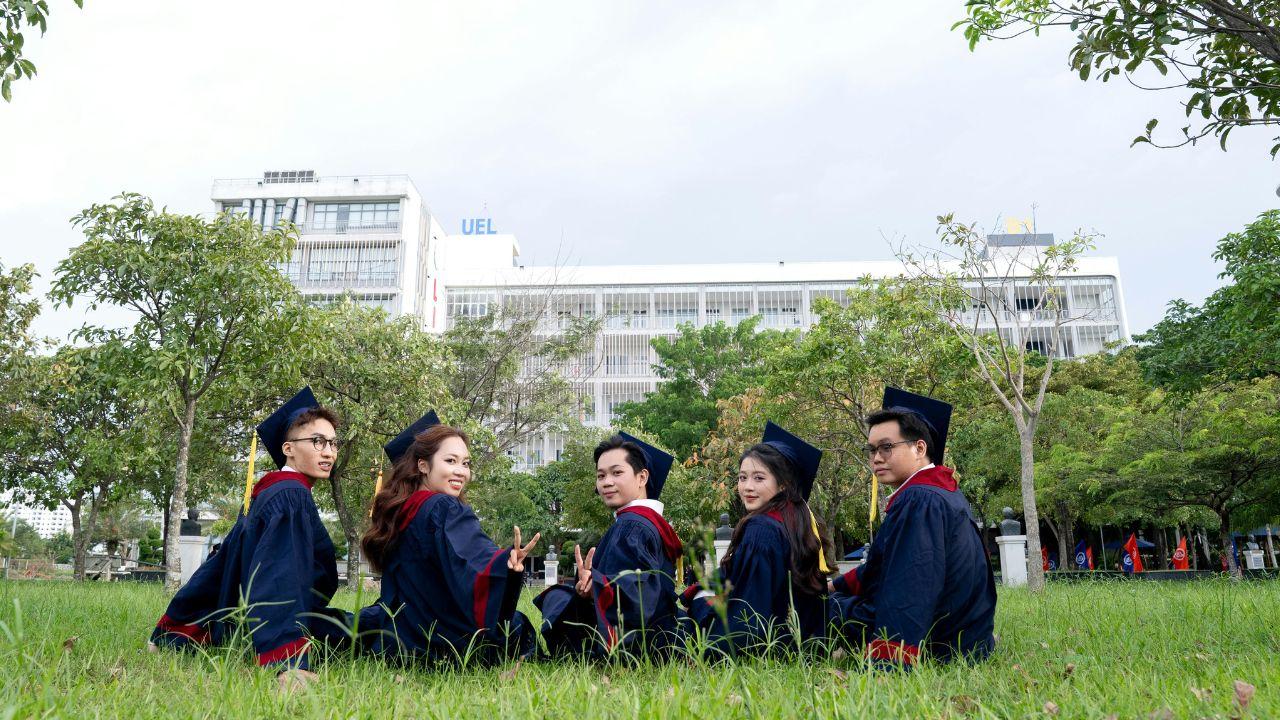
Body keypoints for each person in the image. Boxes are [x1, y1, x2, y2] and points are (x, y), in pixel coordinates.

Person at [149, 387, 352, 691]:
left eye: (333, 443)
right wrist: (288, 661)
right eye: (317, 441)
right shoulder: (290, 496)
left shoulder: (268, 493)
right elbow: (282, 577)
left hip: (259, 621)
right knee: (371, 634)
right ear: (288, 448)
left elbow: (219, 568)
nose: (329, 452)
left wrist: (176, 628)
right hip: (289, 624)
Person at [828, 387, 996, 668]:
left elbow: (910, 586)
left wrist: (889, 664)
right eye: (871, 450)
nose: (876, 458)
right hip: (966, 635)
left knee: (815, 609)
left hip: (940, 644)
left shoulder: (920, 500)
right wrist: (833, 585)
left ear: (920, 448)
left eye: (886, 447)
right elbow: (884, 566)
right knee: (832, 597)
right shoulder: (940, 491)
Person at [357, 412, 540, 664]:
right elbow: (471, 560)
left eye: (466, 463)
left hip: (401, 641)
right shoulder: (443, 507)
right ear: (423, 465)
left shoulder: (399, 513)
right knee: (519, 627)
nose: (461, 472)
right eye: (451, 460)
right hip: (442, 644)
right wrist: (504, 563)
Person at [683, 422, 834, 657]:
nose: (747, 487)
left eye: (759, 478)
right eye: (743, 478)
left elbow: (747, 616)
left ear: (783, 484)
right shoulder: (798, 521)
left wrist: (701, 606)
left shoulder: (762, 529)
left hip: (768, 649)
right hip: (803, 647)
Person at [535, 433, 685, 659]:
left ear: (642, 477)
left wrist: (596, 586)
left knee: (557, 599)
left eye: (617, 473)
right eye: (601, 475)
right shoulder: (646, 522)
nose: (606, 482)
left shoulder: (632, 526)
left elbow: (635, 593)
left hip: (640, 645)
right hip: (662, 632)